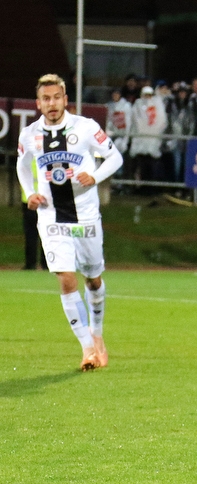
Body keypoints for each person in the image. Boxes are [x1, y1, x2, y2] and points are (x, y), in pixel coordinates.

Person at [16, 74, 123, 370]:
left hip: (86, 215)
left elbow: (114, 158)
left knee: (93, 278)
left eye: (56, 97)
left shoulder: (86, 128)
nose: (52, 103)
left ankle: (97, 334)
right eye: (46, 99)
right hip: (51, 216)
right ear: (38, 104)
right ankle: (87, 349)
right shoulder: (29, 135)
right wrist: (30, 194)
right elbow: (22, 166)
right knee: (66, 278)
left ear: (65, 99)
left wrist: (95, 176)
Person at [130, 85, 168, 183]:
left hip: (153, 139)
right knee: (141, 164)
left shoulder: (157, 105)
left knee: (152, 164)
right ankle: (141, 186)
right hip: (141, 140)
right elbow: (135, 121)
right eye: (146, 95)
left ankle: (151, 186)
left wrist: (156, 133)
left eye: (149, 95)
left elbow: (162, 120)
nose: (147, 97)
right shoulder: (137, 105)